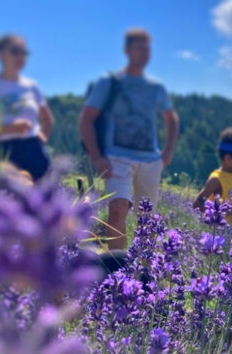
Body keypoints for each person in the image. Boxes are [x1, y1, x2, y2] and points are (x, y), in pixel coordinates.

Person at [79, 28, 179, 250]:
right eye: (139, 48)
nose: (144, 53)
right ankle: (118, 272)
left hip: (151, 160)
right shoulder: (110, 82)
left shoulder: (155, 87)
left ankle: (144, 272)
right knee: (117, 210)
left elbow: (171, 119)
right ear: (127, 50)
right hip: (116, 157)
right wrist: (97, 158)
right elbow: (86, 120)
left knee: (147, 218)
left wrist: (168, 152)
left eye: (147, 49)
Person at [0, 34, 54, 181]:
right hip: (0, 152)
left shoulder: (31, 86)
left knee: (45, 199)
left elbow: (48, 120)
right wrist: (9, 129)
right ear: (0, 54)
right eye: (15, 51)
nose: (20, 56)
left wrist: (41, 138)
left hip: (34, 150)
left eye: (24, 52)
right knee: (4, 200)